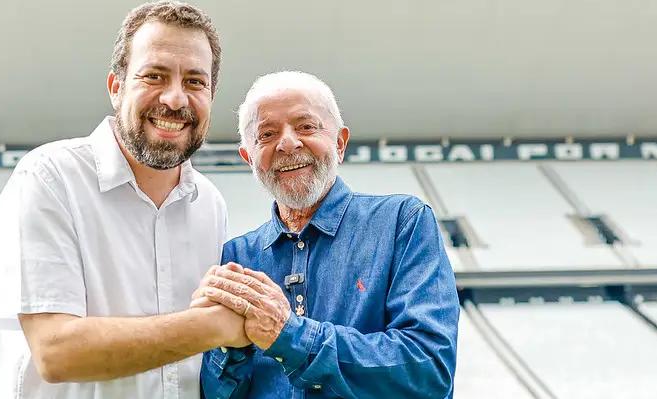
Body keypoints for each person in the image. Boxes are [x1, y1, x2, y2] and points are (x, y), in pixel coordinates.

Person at [0, 2, 249, 398]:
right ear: (116, 87)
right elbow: (57, 351)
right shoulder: (48, 178)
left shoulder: (208, 203)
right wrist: (216, 326)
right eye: (154, 76)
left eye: (195, 82)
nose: (175, 99)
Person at [194, 71, 459, 398]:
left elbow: (429, 370)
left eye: (306, 126)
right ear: (249, 158)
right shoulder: (234, 259)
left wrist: (289, 333)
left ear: (340, 143)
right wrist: (227, 349)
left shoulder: (402, 223)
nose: (288, 143)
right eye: (267, 133)